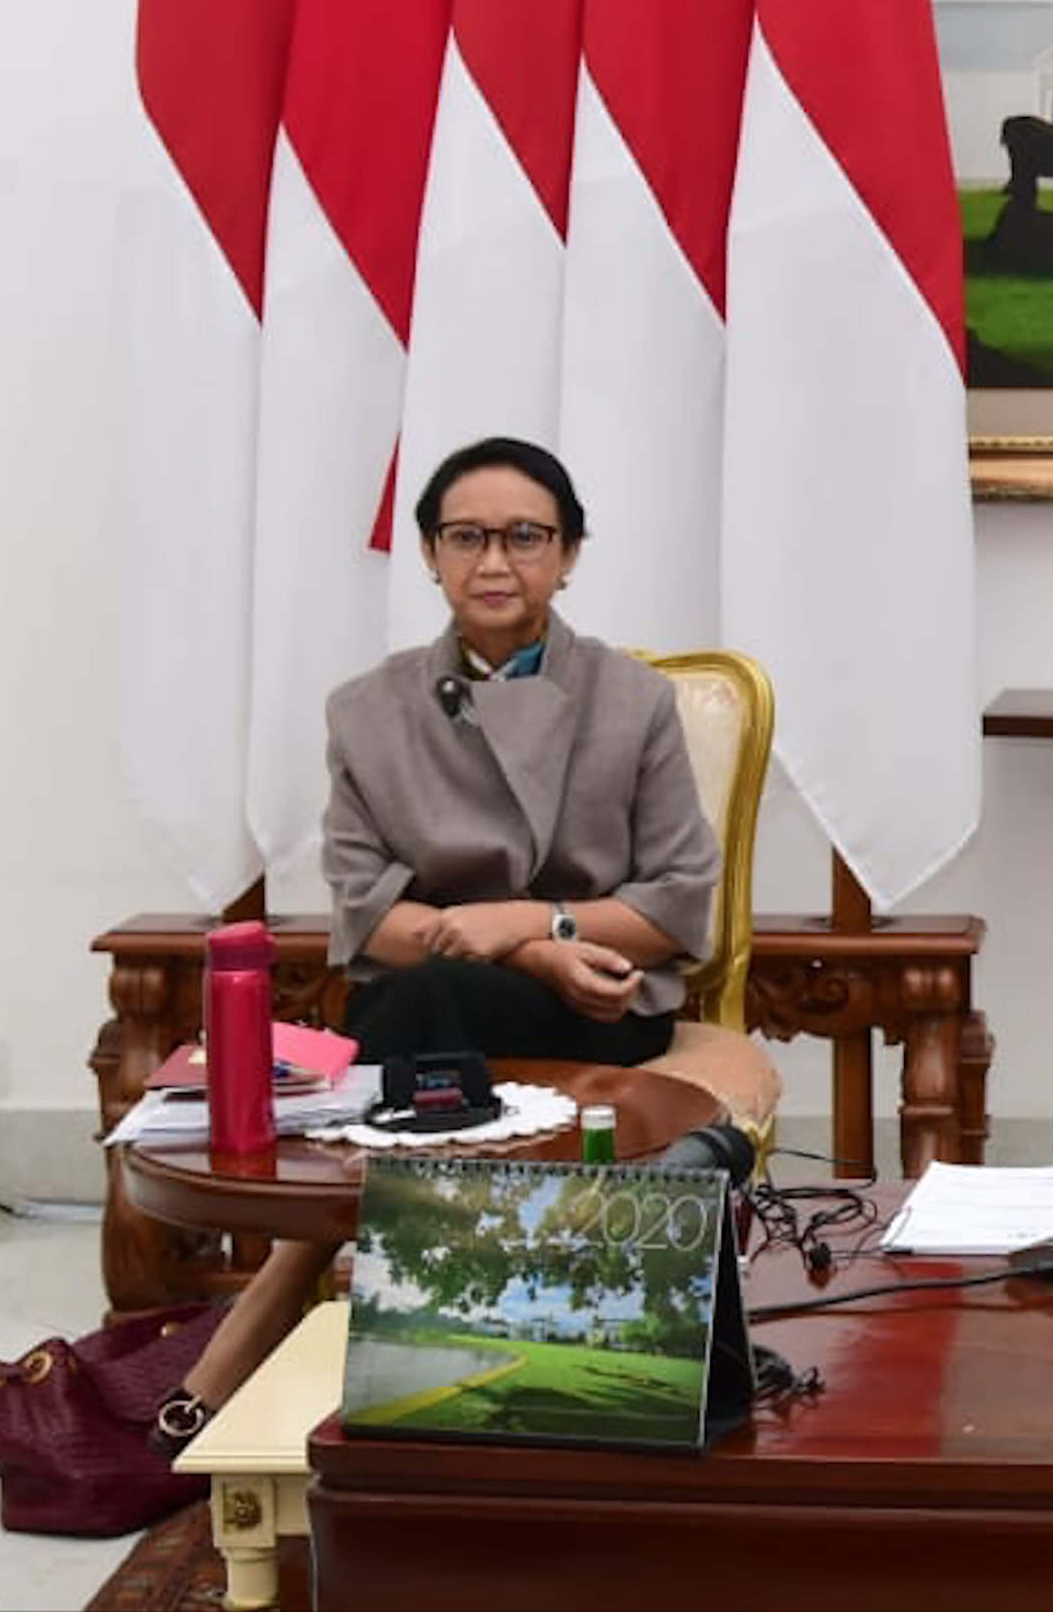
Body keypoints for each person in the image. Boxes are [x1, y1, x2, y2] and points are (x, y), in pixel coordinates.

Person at [153, 436, 719, 1452]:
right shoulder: (365, 710)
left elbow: (676, 905)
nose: (494, 561)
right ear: (428, 551)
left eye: (524, 537)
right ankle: (478, 1382)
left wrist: (535, 926)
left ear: (570, 552)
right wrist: (521, 942)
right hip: (427, 991)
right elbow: (368, 911)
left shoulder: (634, 702)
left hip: (598, 1002)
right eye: (466, 536)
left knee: (423, 1023)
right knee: (429, 1006)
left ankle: (308, 1319)